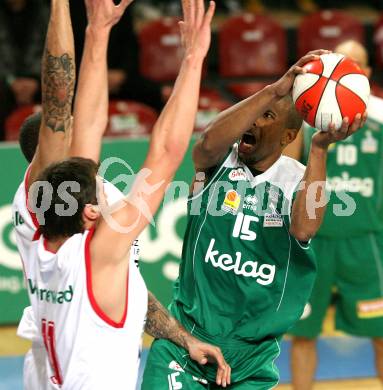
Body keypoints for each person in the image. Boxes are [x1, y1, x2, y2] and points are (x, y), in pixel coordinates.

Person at [13, 0, 231, 388]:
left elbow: (90, 124)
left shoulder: (51, 231)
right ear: (91, 214)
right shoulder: (100, 250)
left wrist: (97, 34)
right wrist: (194, 59)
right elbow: (165, 153)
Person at [141, 45, 367, 387]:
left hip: (251, 358)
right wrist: (273, 91)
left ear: (289, 136)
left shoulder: (297, 180)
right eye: (254, 115)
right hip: (183, 341)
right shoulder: (218, 163)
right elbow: (204, 145)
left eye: (268, 117)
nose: (255, 122)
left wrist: (319, 148)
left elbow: (304, 229)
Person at [286, 40, 383, 390]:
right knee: (303, 334)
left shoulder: (381, 117)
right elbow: (287, 167)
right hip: (314, 243)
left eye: (354, 64)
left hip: (365, 243)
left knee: (381, 334)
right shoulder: (307, 112)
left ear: (367, 73)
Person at [0, 0, 48, 140]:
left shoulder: (43, 11)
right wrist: (10, 81)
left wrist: (36, 80)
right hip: (5, 83)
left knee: (62, 86)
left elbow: (53, 49)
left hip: (40, 80)